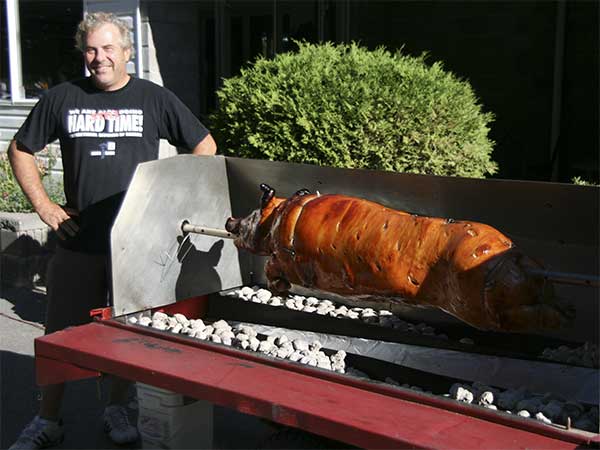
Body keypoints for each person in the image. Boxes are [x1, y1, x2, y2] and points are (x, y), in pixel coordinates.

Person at [8, 12, 216, 450]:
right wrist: (44, 206)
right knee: (60, 335)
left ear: (126, 53)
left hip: (136, 243)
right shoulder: (62, 98)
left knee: (127, 331)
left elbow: (204, 146)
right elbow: (21, 149)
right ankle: (48, 418)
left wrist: (171, 203)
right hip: (78, 239)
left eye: (108, 48)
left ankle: (117, 408)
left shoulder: (154, 99)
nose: (99, 57)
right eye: (90, 49)